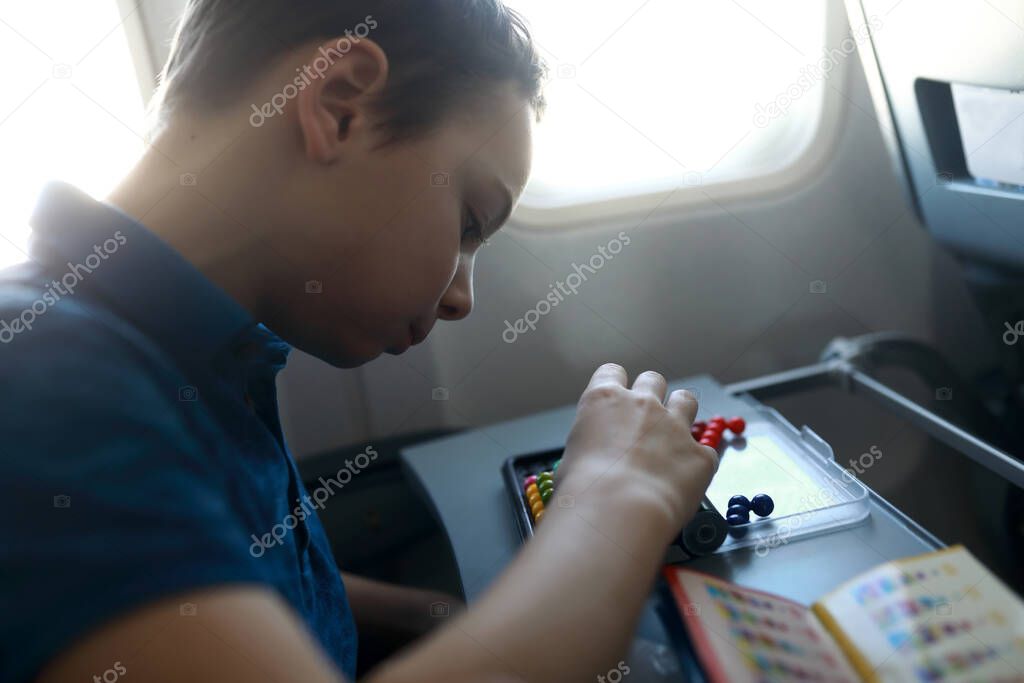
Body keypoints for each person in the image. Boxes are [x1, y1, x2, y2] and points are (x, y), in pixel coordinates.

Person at [0, 1, 718, 681]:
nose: (463, 297)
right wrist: (617, 495)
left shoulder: (185, 347)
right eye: (468, 222)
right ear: (340, 106)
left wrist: (444, 618)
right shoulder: (38, 381)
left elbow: (215, 570)